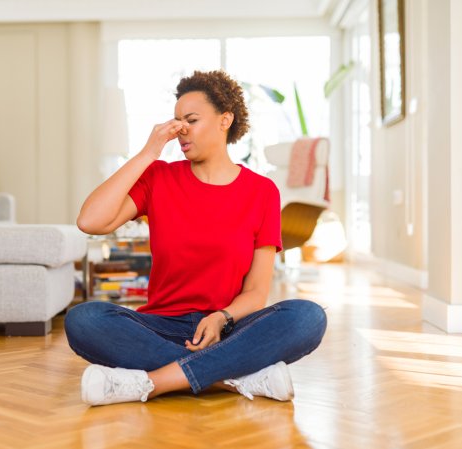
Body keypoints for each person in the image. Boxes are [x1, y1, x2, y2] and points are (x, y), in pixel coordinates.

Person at [66, 70, 327, 406]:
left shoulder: (262, 192)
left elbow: (256, 293)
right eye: (176, 121)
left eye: (191, 119)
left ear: (225, 120)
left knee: (308, 316)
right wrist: (148, 153)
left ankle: (153, 382)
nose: (181, 130)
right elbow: (90, 220)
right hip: (159, 326)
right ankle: (234, 379)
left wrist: (222, 317)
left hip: (228, 329)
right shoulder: (158, 178)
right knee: (84, 320)